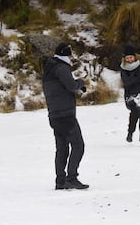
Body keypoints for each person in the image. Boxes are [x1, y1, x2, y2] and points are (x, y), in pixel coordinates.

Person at [42, 43, 89, 190]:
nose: (71, 58)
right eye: (70, 55)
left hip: (54, 115)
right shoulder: (61, 68)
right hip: (65, 114)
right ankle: (71, 178)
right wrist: (81, 82)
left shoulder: (49, 68)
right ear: (66, 55)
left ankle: (60, 181)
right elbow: (70, 86)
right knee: (78, 145)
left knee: (62, 148)